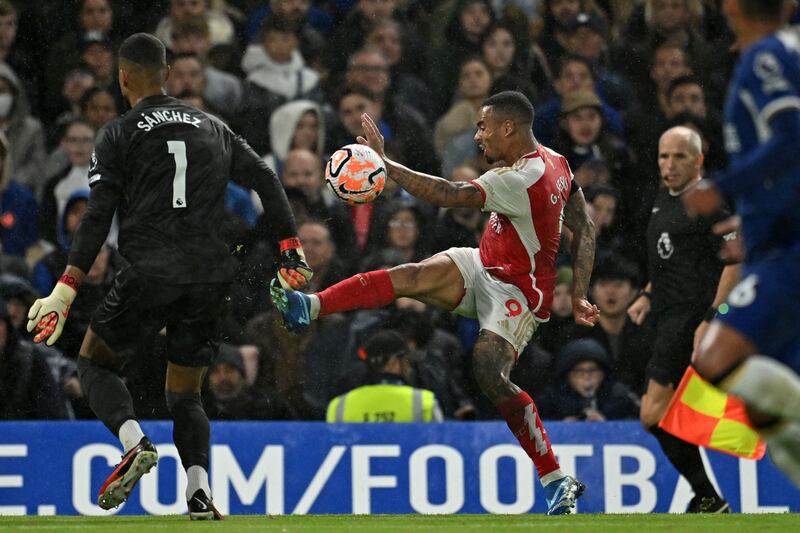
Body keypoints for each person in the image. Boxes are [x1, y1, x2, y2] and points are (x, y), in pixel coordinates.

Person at [25, 33, 311, 519]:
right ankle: (199, 490)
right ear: (167, 75)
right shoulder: (211, 125)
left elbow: (98, 214)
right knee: (185, 391)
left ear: (122, 78)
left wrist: (66, 286)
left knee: (94, 363)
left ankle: (135, 444)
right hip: (211, 276)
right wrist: (290, 247)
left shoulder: (118, 132)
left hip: (152, 271)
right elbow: (265, 175)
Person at [273, 90, 598, 515]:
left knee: (488, 369)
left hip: (519, 292)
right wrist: (579, 295)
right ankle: (309, 307)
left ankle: (556, 479)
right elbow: (586, 227)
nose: (478, 136)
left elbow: (448, 193)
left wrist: (385, 166)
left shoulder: (520, 180)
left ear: (508, 128)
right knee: (409, 276)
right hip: (486, 264)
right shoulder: (556, 163)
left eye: (483, 127)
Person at [683, 0, 800, 488]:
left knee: (713, 358)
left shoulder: (766, 57)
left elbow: (792, 134)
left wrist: (723, 188)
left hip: (788, 251)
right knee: (763, 409)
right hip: (773, 244)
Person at [627, 126, 732, 512]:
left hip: (689, 320)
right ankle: (707, 497)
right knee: (660, 415)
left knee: (653, 414)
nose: (668, 165)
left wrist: (712, 316)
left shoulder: (709, 204)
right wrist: (648, 294)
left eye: (679, 157)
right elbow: (670, 257)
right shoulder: (664, 198)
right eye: (663, 156)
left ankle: (708, 497)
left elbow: (735, 262)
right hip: (666, 316)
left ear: (699, 159)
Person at [326, 329, 444, 423]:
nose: (410, 368)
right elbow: (440, 443)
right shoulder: (424, 402)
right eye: (407, 361)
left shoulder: (339, 406)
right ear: (393, 363)